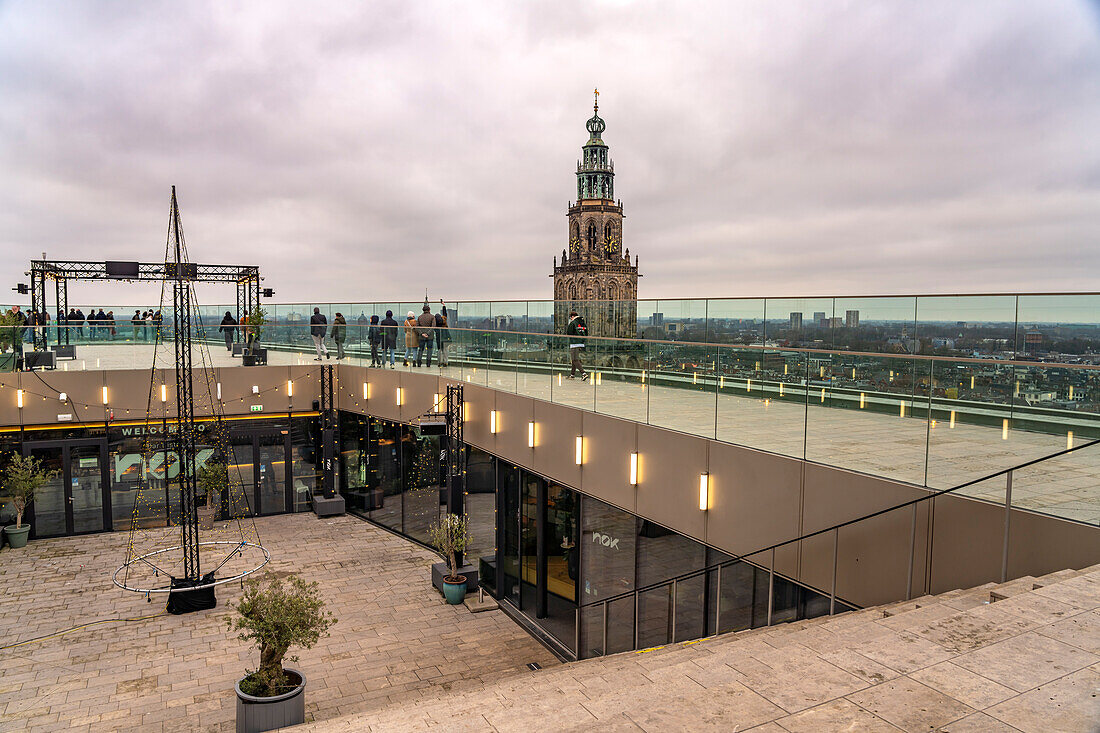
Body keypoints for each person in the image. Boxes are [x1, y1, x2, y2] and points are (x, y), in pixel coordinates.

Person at [566, 310, 589, 381]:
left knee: (575, 359)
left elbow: (569, 333)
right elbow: (586, 332)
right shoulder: (582, 323)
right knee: (574, 359)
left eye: (571, 318)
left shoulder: (573, 323)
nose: (571, 319)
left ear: (572, 317)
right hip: (581, 342)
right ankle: (572, 375)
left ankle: (583, 373)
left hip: (574, 343)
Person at [435, 300, 451, 367]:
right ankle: (445, 362)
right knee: (445, 349)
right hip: (446, 336)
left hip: (439, 337)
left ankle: (439, 362)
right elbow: (445, 313)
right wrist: (443, 305)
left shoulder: (435, 323)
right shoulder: (444, 319)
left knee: (439, 350)